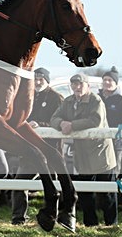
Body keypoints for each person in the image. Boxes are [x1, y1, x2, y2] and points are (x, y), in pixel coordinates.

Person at [50, 73, 117, 226]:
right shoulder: (68, 101)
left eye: (80, 84)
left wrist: (72, 125)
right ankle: (90, 224)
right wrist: (61, 124)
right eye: (74, 84)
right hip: (82, 153)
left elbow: (96, 120)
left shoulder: (96, 100)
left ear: (87, 86)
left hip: (100, 152)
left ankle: (111, 224)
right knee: (86, 193)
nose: (77, 87)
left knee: (106, 193)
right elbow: (54, 118)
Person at [11, 67, 64, 224]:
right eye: (36, 79)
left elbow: (58, 122)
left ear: (47, 80)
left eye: (41, 79)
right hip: (29, 150)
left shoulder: (57, 98)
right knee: (19, 184)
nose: (38, 82)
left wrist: (39, 124)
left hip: (49, 151)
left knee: (53, 187)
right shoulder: (29, 96)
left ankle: (53, 217)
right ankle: (18, 219)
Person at [99, 66, 122, 171]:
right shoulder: (97, 99)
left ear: (115, 83)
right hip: (99, 140)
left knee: (114, 169)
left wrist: (119, 138)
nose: (107, 82)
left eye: (110, 80)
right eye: (105, 80)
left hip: (116, 142)